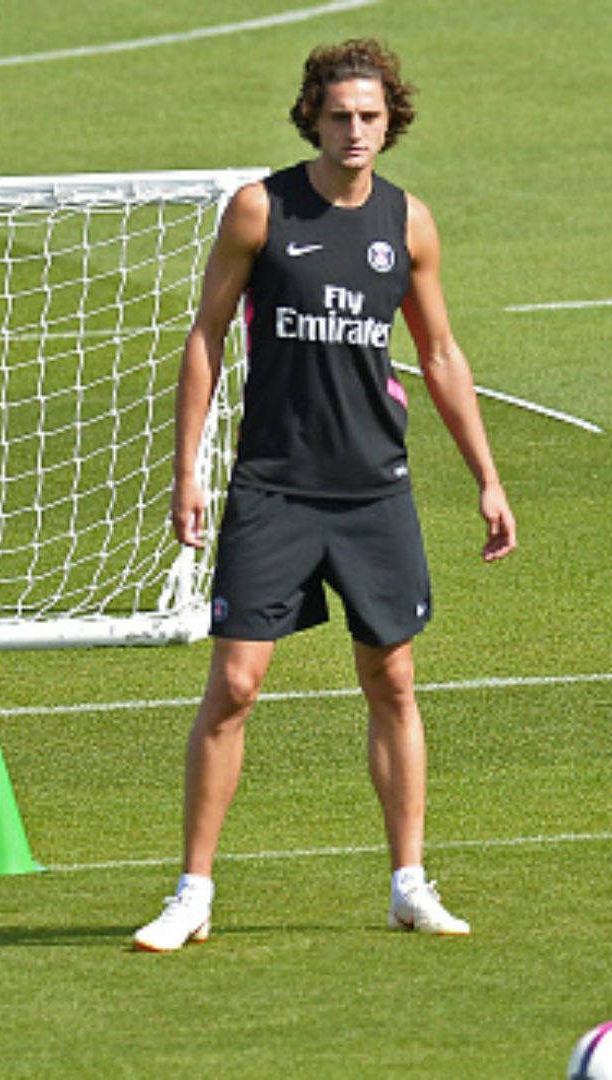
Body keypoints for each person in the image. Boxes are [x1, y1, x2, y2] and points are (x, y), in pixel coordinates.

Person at [134, 38, 516, 952]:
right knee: (235, 684)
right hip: (273, 485)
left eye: (370, 116)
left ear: (392, 121)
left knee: (393, 678)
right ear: (313, 116)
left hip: (373, 489)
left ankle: (409, 884)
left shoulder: (408, 223)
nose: (355, 130)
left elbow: (440, 353)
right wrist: (187, 469)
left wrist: (488, 478)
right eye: (340, 114)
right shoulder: (260, 209)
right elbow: (207, 335)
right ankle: (193, 892)